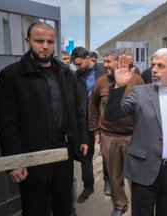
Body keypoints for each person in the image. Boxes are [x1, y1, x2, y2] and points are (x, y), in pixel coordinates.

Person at [0, 22, 88, 216]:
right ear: (28, 40)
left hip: (62, 150)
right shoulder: (11, 76)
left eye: (50, 41)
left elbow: (77, 111)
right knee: (35, 208)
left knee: (64, 205)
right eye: (39, 41)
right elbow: (6, 123)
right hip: (31, 153)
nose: (45, 46)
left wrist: (81, 139)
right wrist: (14, 161)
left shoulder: (66, 74)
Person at [104, 48, 167, 216]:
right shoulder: (140, 92)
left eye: (160, 66)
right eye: (153, 65)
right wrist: (119, 86)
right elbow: (112, 116)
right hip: (143, 169)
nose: (154, 70)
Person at [89, 50, 144, 216]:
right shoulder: (101, 82)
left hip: (133, 136)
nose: (105, 65)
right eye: (104, 61)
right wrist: (95, 132)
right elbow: (93, 107)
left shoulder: (137, 80)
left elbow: (145, 107)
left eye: (108, 61)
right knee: (114, 175)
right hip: (109, 136)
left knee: (135, 174)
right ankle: (120, 205)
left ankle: (139, 205)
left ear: (120, 62)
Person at [71, 46, 107, 203]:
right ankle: (88, 186)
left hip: (104, 119)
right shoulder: (75, 76)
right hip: (84, 121)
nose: (77, 68)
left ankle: (108, 181)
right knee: (86, 154)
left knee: (107, 152)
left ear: (87, 58)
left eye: (79, 64)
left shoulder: (103, 69)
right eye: (75, 65)